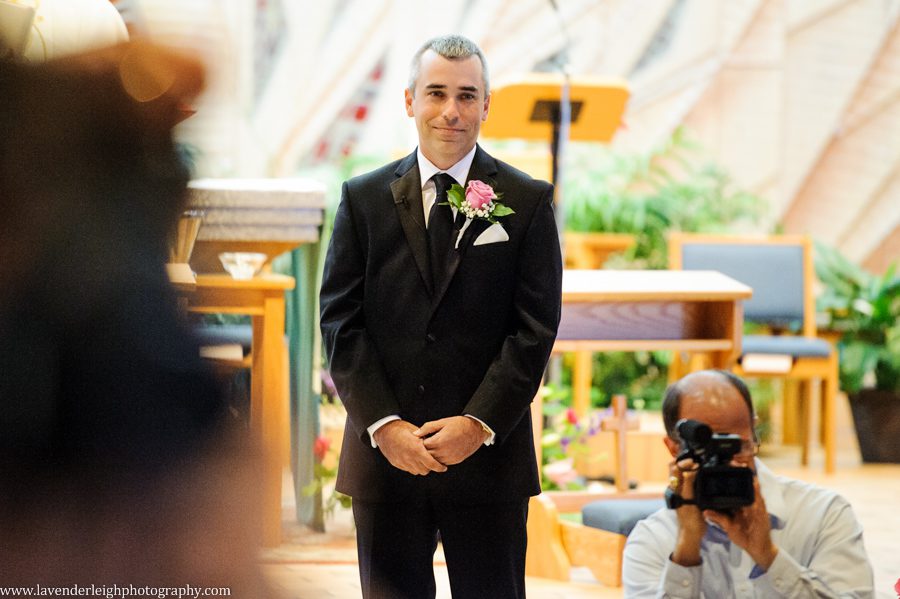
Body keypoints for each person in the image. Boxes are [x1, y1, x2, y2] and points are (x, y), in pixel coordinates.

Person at [319, 34, 562, 599]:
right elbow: (340, 322)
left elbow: (534, 330)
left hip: (487, 462)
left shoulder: (526, 203)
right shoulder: (363, 199)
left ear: (486, 105)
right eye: (436, 93)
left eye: (467, 95)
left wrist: (477, 424)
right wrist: (385, 426)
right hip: (387, 460)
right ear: (409, 101)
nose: (451, 111)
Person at [622, 370, 874, 598]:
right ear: (673, 448)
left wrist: (769, 556)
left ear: (754, 432)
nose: (726, 463)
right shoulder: (653, 540)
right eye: (707, 449)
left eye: (737, 446)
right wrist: (687, 549)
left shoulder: (823, 515)